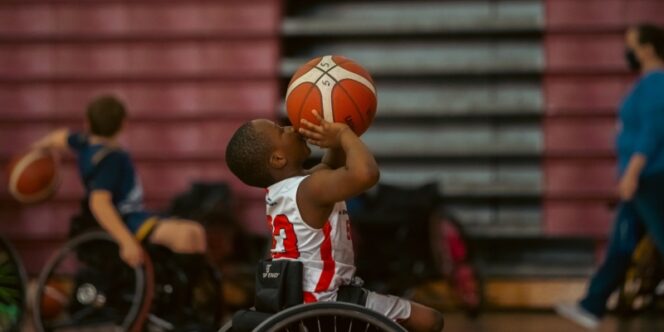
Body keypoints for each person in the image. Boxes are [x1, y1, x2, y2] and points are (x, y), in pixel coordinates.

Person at [225, 110, 445, 332]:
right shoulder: (311, 189)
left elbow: (331, 165)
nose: (291, 128)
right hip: (327, 301)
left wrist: (331, 129)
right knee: (430, 321)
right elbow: (366, 174)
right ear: (278, 159)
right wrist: (343, 133)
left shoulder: (286, 191)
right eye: (281, 131)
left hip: (296, 301)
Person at [555, 24, 664, 330]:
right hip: (643, 179)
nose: (627, 51)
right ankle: (592, 306)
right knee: (622, 244)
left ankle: (593, 304)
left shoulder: (656, 84)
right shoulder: (646, 84)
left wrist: (631, 173)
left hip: (651, 179)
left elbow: (653, 134)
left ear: (648, 48)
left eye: (631, 45)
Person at [31, 95, 207, 270]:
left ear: (88, 123)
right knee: (186, 236)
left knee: (196, 231)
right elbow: (99, 202)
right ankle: (185, 293)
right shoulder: (112, 159)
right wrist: (126, 241)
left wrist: (37, 150)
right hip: (125, 218)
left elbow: (59, 137)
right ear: (123, 124)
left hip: (132, 215)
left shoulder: (84, 142)